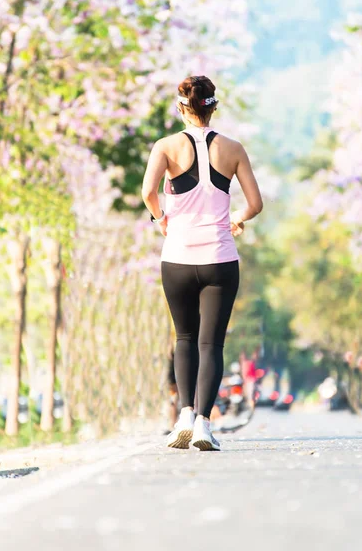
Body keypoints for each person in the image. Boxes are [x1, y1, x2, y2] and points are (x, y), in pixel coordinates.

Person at [142, 75, 263, 451]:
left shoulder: (165, 146)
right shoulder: (233, 148)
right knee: (212, 343)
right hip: (220, 259)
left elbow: (148, 192)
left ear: (181, 107)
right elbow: (255, 204)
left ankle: (183, 413)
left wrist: (160, 218)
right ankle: (204, 425)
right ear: (214, 106)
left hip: (177, 257)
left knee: (184, 338)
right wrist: (237, 219)